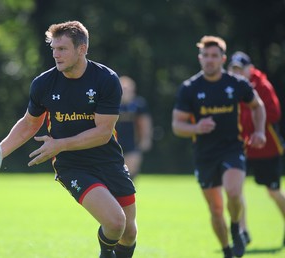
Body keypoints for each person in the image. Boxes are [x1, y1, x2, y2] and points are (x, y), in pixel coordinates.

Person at [0, 21, 137, 258]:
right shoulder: (43, 83)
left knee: (129, 233)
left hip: (108, 160)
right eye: (53, 48)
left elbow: (103, 133)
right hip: (72, 165)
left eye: (62, 49)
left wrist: (59, 144)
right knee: (115, 222)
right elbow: (28, 125)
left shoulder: (106, 79)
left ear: (82, 49)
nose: (55, 54)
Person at [171, 36, 266, 258]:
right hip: (204, 154)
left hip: (232, 148)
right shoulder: (189, 88)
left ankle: (236, 226)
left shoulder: (236, 83)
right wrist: (197, 128)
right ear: (200, 58)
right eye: (206, 56)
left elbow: (257, 106)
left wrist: (260, 131)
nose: (210, 60)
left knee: (233, 191)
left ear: (223, 59)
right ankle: (226, 250)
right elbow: (177, 125)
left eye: (214, 56)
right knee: (215, 210)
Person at [228, 51, 285, 246]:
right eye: (233, 68)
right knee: (236, 189)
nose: (237, 72)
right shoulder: (228, 88)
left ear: (249, 69)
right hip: (242, 147)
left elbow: (274, 113)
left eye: (240, 68)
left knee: (273, 191)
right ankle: (243, 231)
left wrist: (254, 128)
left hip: (266, 148)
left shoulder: (262, 86)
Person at [115, 76, 153, 180]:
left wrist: (146, 139)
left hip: (132, 144)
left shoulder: (139, 104)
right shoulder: (112, 104)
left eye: (128, 89)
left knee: (131, 172)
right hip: (114, 144)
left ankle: (129, 194)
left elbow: (145, 122)